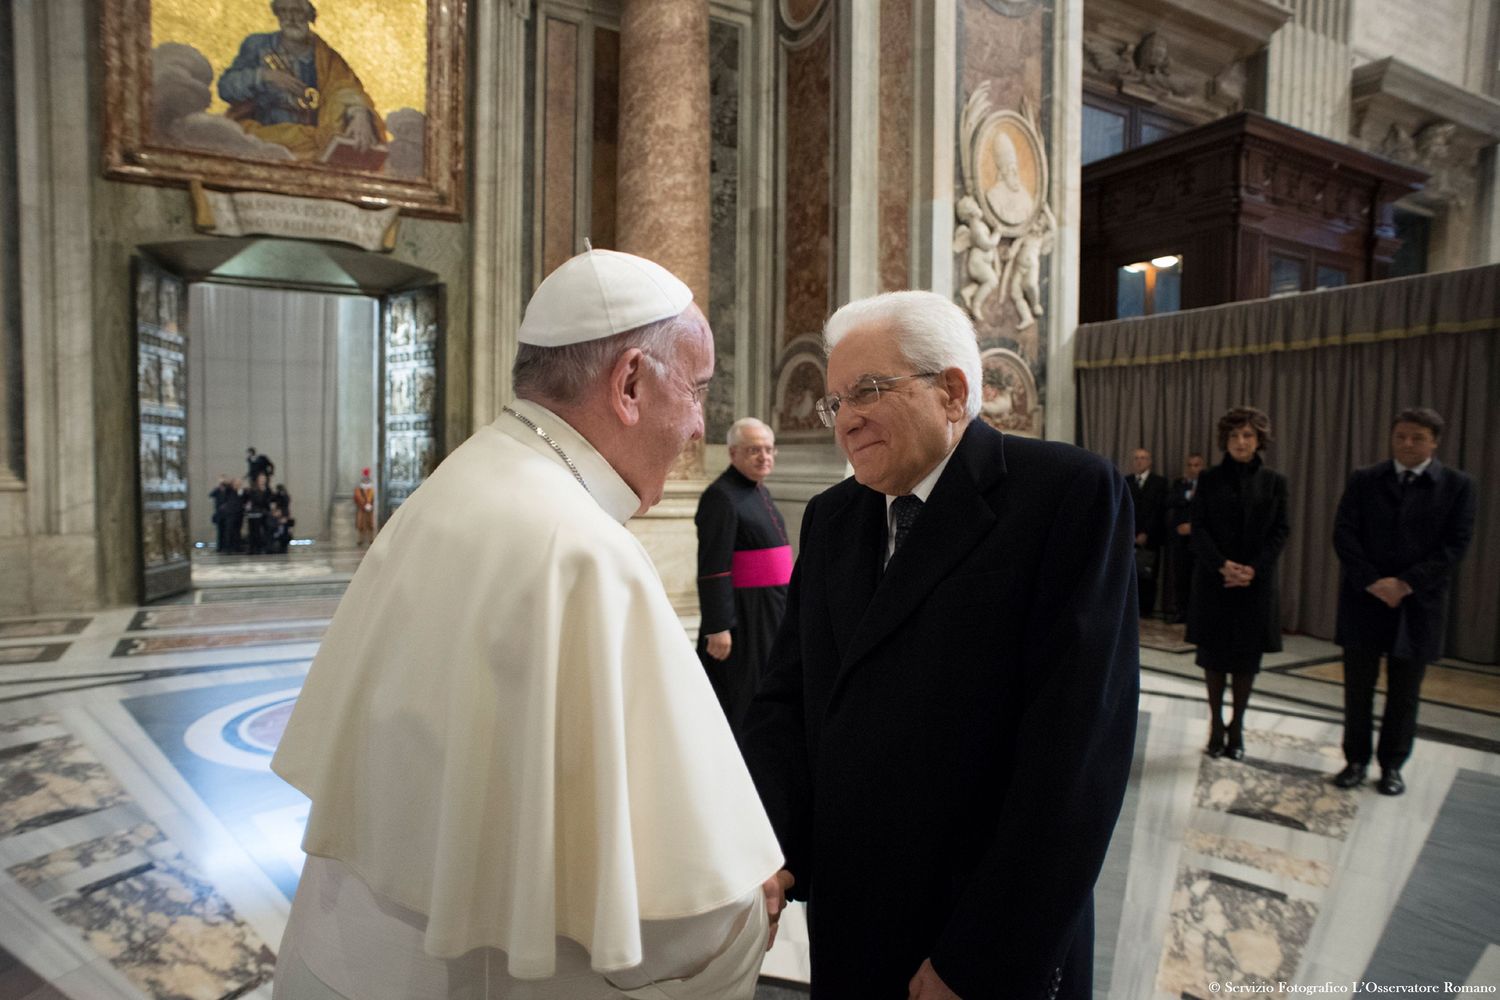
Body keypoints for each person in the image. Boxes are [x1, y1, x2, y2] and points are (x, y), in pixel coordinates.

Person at [270, 249, 784, 1000]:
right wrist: (749, 907)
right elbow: (676, 933)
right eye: (698, 392)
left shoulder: (457, 480)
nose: (697, 428)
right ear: (631, 382)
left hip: (350, 956)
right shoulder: (583, 551)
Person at [740, 291, 1139, 1000]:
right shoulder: (834, 519)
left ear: (953, 391)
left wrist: (982, 956)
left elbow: (1074, 760)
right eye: (835, 403)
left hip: (977, 930)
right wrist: (770, 851)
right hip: (855, 917)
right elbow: (787, 700)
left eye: (866, 390)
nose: (846, 420)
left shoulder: (1066, 497)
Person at [1331, 407, 1476, 796]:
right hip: (1364, 598)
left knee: (1405, 692)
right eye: (1401, 437)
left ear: (1434, 442)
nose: (1407, 444)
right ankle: (1355, 760)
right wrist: (1374, 581)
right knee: (1357, 688)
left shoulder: (1457, 485)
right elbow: (1344, 533)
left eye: (1417, 438)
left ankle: (1392, 765)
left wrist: (1406, 583)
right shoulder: (1365, 479)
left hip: (1418, 604)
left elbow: (1455, 545)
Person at [1187, 407, 1289, 762]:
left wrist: (1252, 570)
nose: (1240, 442)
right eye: (1234, 436)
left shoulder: (1275, 481)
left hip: (1255, 585)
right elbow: (1198, 529)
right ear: (1225, 441)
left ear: (1259, 440)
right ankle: (1216, 725)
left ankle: (1237, 727)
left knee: (1246, 660)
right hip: (1215, 582)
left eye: (1247, 436)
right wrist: (1223, 566)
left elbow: (1281, 531)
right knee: (1213, 658)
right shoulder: (1210, 479)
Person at [694, 417, 790, 735]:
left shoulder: (757, 489)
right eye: (753, 450)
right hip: (745, 613)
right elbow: (713, 567)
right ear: (733, 453)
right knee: (742, 692)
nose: (764, 457)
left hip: (770, 605)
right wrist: (718, 625)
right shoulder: (721, 496)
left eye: (768, 449)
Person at [217, 0, 386, 162]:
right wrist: (264, 76)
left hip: (311, 139)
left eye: (297, 11)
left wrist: (359, 112)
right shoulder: (257, 45)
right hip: (265, 134)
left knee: (332, 144)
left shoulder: (326, 57)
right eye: (284, 11)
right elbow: (226, 87)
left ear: (309, 15)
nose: (290, 18)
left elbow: (344, 87)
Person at [1127, 447, 1169, 618]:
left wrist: (1146, 532)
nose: (1139, 461)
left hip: (1151, 537)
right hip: (1129, 536)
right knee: (1130, 574)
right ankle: (1131, 609)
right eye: (1136, 458)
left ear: (1149, 461)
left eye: (1143, 458)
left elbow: (1158, 510)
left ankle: (1146, 610)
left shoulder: (1160, 482)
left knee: (1148, 575)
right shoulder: (1126, 480)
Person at [1164, 453, 1205, 623]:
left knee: (1199, 579)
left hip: (1201, 540)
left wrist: (1193, 528)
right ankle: (1181, 612)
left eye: (1197, 465)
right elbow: (1169, 501)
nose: (1193, 468)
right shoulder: (1179, 483)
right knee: (1180, 577)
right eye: (1190, 465)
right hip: (1179, 539)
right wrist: (1187, 495)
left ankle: (1197, 615)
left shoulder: (1210, 485)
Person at [352, 468, 377, 546]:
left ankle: (371, 539)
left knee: (370, 525)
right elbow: (356, 497)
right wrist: (363, 505)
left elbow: (373, 498)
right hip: (361, 510)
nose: (366, 480)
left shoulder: (372, 489)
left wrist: (370, 505)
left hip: (370, 510)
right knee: (361, 525)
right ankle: (360, 539)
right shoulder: (358, 489)